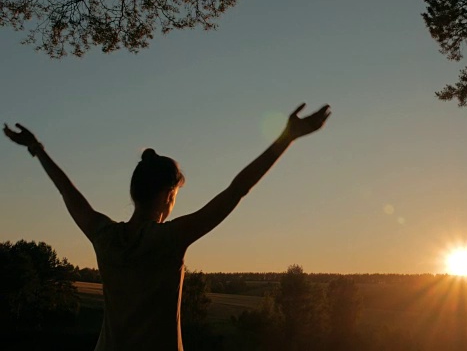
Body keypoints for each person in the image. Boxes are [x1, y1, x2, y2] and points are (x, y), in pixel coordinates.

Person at [3, 103, 331, 351]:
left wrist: (37, 149)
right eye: (175, 194)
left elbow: (67, 191)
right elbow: (237, 190)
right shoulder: (171, 239)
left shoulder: (104, 236)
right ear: (167, 194)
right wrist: (287, 137)